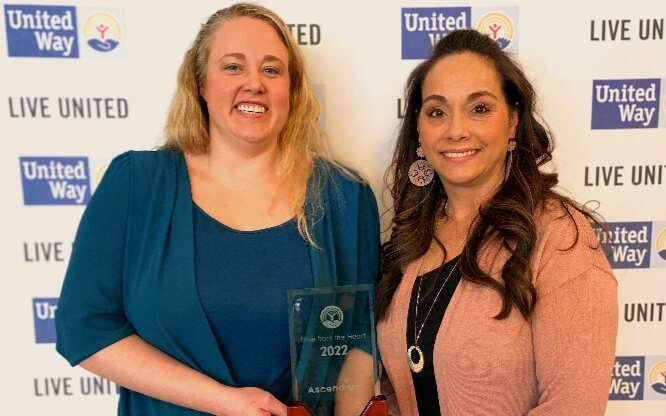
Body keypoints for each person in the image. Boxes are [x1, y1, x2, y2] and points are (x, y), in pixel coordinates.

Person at [55, 3, 380, 416]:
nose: (254, 84)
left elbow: (358, 340)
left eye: (272, 69)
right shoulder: (136, 183)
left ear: (293, 89)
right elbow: (84, 327)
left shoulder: (344, 197)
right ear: (201, 84)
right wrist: (225, 403)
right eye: (232, 67)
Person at [376, 29, 618, 415]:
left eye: (480, 108)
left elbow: (572, 407)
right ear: (419, 131)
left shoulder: (559, 237)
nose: (456, 130)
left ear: (512, 121)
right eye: (437, 111)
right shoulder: (412, 235)